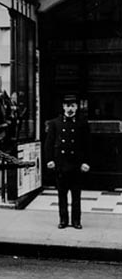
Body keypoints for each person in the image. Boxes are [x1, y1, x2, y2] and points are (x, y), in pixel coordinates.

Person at [44, 94, 91, 229]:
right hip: (61, 164)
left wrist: (86, 162)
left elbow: (88, 145)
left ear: (76, 107)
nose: (70, 109)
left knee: (76, 195)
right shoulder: (55, 123)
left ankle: (76, 221)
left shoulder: (82, 123)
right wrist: (49, 160)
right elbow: (49, 143)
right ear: (63, 106)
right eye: (67, 106)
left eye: (73, 106)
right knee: (62, 195)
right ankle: (63, 220)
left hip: (77, 165)